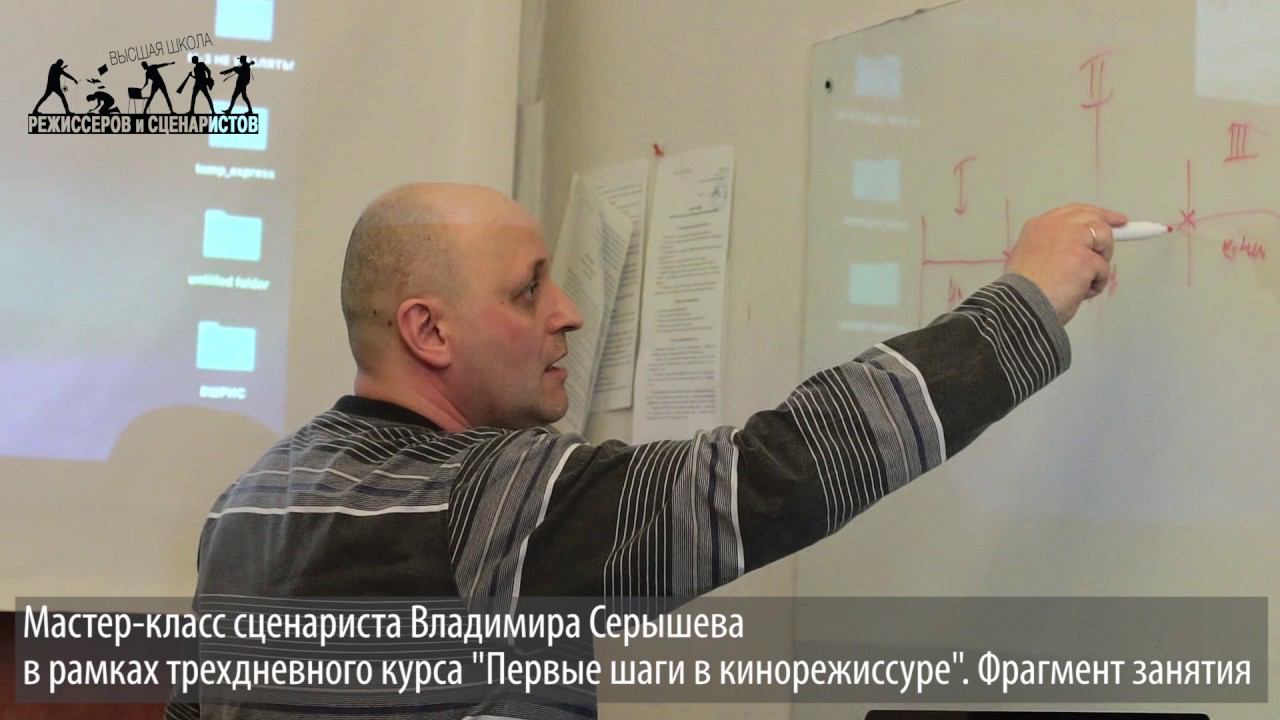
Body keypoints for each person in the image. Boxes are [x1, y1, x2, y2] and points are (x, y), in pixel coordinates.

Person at [166, 183, 1121, 719]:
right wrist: (1023, 303)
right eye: (529, 290)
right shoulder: (491, 500)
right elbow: (775, 472)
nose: (568, 312)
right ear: (429, 331)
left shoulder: (247, 499)